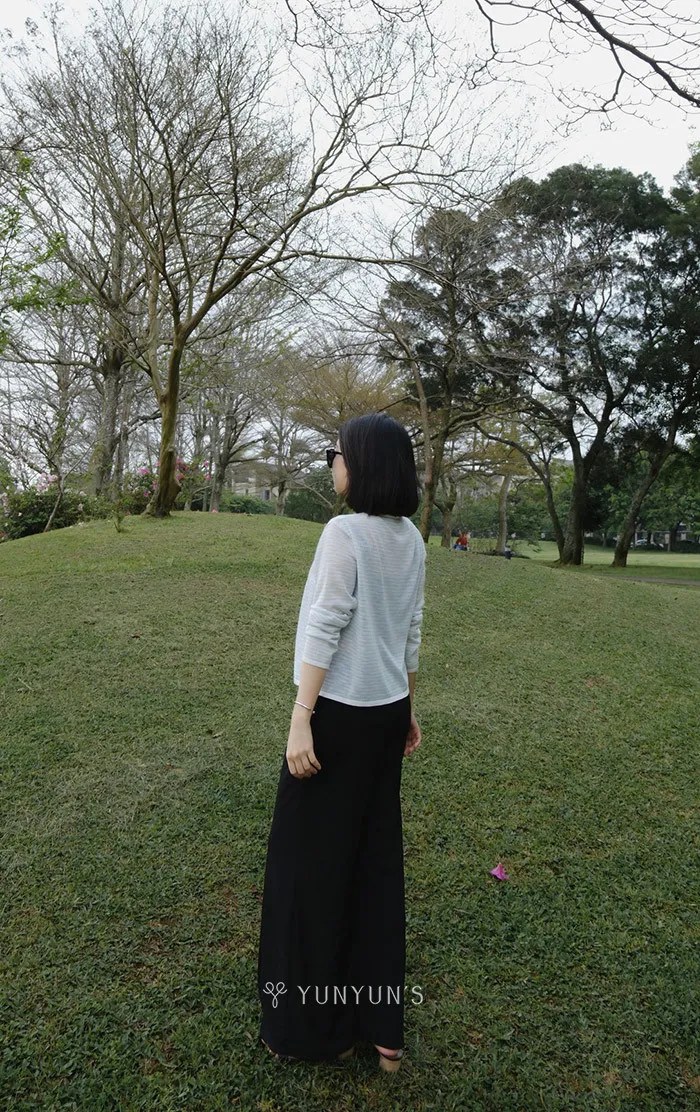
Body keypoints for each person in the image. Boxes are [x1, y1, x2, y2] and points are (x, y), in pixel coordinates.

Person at [257, 413, 426, 1073]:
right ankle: (383, 1031)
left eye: (338, 452)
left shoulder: (344, 532)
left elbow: (325, 625)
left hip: (338, 716)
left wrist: (301, 717)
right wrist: (409, 707)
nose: (332, 462)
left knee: (308, 869)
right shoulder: (412, 538)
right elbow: (410, 631)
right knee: (373, 862)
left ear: (362, 464)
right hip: (385, 715)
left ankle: (306, 1030)